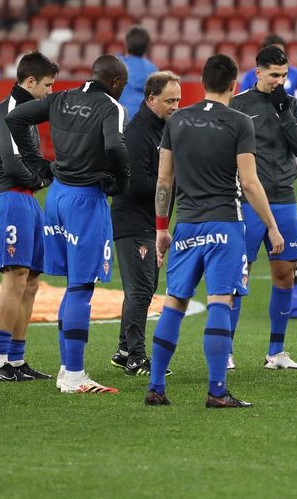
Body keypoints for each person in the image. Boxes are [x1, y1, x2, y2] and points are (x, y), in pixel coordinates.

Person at [146, 54, 283, 408]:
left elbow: (164, 179)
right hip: (225, 223)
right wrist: (271, 225)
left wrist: (163, 228)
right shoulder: (239, 122)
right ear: (234, 84)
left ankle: (156, 388)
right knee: (221, 301)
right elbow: (250, 183)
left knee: (174, 302)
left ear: (201, 83)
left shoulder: (178, 120)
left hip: (187, 224)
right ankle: (217, 391)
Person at [6, 55, 130, 394]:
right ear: (117, 82)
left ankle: (66, 369)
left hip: (57, 197)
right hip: (85, 201)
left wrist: (40, 164)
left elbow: (15, 118)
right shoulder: (111, 108)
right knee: (81, 287)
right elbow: (116, 146)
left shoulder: (61, 97)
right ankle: (74, 374)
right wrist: (120, 181)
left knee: (72, 287)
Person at [230, 45, 297, 370]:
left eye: (284, 75)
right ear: (258, 72)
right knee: (239, 274)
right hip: (249, 201)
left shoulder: (290, 104)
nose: (280, 80)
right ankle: (227, 351)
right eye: (274, 74)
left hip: (284, 199)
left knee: (285, 275)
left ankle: (276, 352)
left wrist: (285, 115)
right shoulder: (238, 106)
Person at [0, 52, 59, 382]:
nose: (49, 92)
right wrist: (42, 179)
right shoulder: (9, 112)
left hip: (28, 202)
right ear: (30, 82)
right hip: (12, 200)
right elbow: (14, 165)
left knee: (30, 282)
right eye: (47, 85)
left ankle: (16, 359)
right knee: (14, 278)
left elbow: (35, 160)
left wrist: (45, 175)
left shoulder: (26, 114)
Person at [110, 71, 181, 375]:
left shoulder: (161, 131)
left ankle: (125, 348)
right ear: (151, 99)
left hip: (148, 222)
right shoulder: (139, 133)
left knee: (146, 286)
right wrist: (174, 184)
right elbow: (136, 183)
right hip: (133, 220)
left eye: (178, 99)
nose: (175, 106)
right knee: (140, 290)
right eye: (169, 100)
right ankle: (137, 356)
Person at [240, 34, 297, 125]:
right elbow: (242, 104)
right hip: (261, 128)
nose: (277, 58)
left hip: (286, 128)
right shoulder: (250, 76)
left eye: (280, 53)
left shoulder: (295, 73)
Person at [118, 26, 156, 119]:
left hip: (118, 118)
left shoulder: (117, 65)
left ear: (126, 44)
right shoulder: (153, 70)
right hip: (143, 121)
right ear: (147, 47)